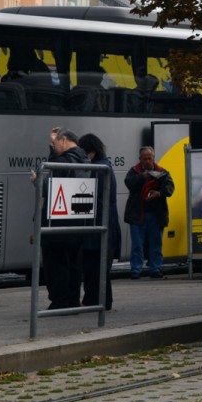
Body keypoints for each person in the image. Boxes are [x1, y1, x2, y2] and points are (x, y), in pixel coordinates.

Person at [33, 127, 90, 310]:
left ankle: (60, 302)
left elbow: (52, 186)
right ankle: (72, 300)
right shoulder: (84, 159)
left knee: (56, 265)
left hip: (57, 223)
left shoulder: (65, 161)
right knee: (73, 264)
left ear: (64, 140)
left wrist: (37, 181)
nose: (54, 147)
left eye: (55, 143)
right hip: (76, 222)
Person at [78, 133, 121, 310]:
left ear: (91, 151)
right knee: (98, 267)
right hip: (105, 224)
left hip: (98, 225)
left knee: (94, 266)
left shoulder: (99, 169)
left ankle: (96, 301)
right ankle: (100, 301)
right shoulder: (104, 166)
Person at [123, 146, 174, 279]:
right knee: (137, 245)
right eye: (144, 159)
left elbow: (170, 188)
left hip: (156, 215)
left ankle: (155, 269)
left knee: (156, 244)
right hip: (137, 215)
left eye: (149, 158)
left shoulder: (162, 172)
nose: (147, 161)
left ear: (153, 158)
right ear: (140, 159)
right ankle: (136, 270)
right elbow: (129, 183)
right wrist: (142, 177)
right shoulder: (134, 172)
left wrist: (159, 193)